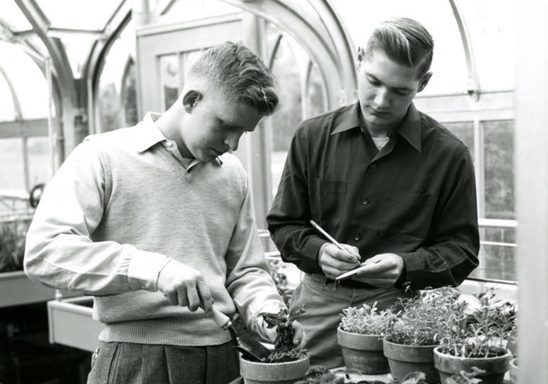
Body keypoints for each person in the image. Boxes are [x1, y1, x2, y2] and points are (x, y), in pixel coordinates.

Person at [24, 41, 305, 384]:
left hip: (224, 359)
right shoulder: (102, 156)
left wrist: (267, 311)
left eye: (243, 133)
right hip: (137, 361)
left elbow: (245, 271)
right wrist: (152, 268)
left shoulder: (232, 175)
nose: (233, 144)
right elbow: (44, 252)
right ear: (190, 100)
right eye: (225, 126)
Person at [267, 17, 479, 368]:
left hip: (399, 321)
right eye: (373, 82)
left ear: (422, 83)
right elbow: (284, 224)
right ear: (359, 58)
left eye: (399, 91)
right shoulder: (311, 137)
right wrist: (319, 252)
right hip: (316, 314)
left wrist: (404, 266)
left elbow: (462, 249)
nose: (381, 101)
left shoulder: (448, 156)